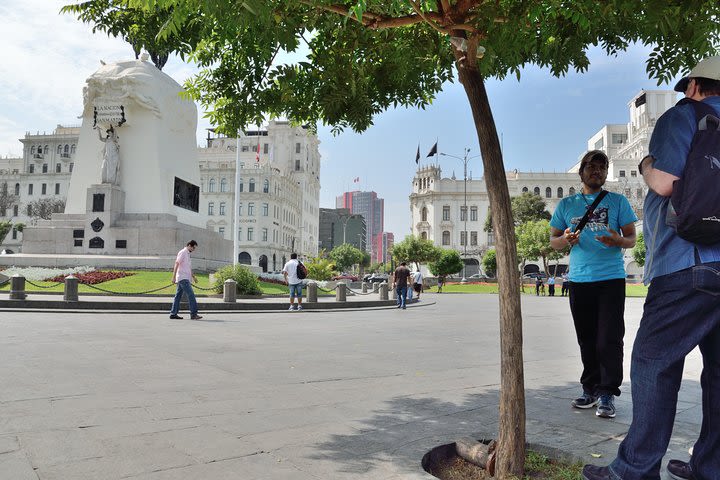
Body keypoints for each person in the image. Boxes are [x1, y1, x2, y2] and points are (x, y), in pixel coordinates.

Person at [582, 56, 720, 480]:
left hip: (686, 264)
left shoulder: (684, 117)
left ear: (695, 86)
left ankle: (635, 470)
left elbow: (663, 181)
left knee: (652, 362)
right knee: (717, 375)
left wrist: (644, 164)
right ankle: (711, 467)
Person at [550, 150, 637, 420]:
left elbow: (632, 237)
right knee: (586, 338)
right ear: (582, 171)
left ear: (606, 172)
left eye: (602, 166)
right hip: (579, 280)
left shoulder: (618, 201)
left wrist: (618, 241)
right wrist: (566, 239)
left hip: (610, 279)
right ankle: (589, 389)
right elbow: (554, 241)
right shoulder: (566, 205)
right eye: (591, 166)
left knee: (609, 339)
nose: (596, 170)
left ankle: (607, 392)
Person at [169, 240, 202, 320]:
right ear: (190, 245)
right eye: (193, 248)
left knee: (178, 296)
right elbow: (177, 263)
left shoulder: (187, 254)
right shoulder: (183, 252)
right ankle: (193, 314)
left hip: (184, 277)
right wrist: (173, 277)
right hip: (183, 278)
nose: (194, 250)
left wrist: (193, 277)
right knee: (191, 295)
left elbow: (188, 267)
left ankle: (173, 313)